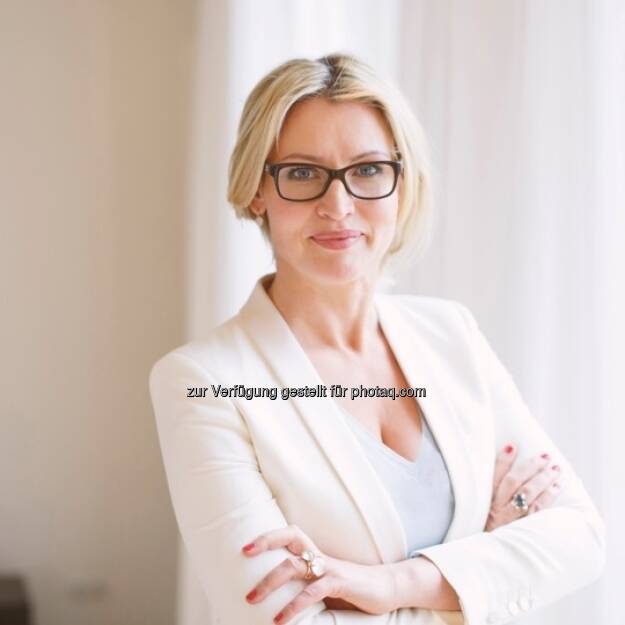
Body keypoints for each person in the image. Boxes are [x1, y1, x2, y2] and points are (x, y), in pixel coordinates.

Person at [148, 53, 605, 625]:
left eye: (367, 170)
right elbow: (281, 616)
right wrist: (480, 570)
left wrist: (389, 585)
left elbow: (580, 537)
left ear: (401, 184)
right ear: (257, 189)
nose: (337, 206)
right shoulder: (202, 381)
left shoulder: (452, 334)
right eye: (302, 173)